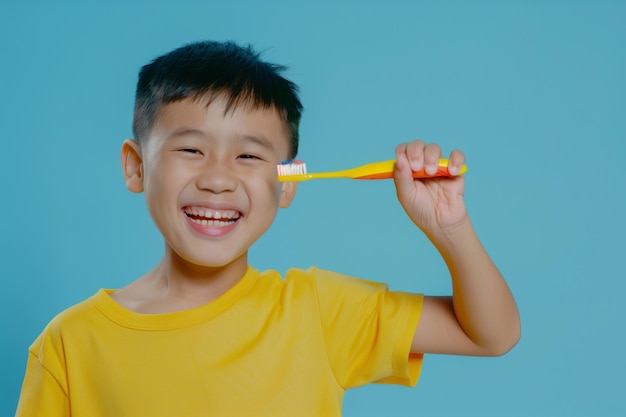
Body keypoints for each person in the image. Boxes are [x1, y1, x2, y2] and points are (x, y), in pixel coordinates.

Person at [15, 40, 520, 417]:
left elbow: (491, 336)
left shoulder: (320, 311)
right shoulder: (69, 343)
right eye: (191, 149)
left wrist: (450, 229)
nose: (217, 179)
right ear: (136, 166)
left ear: (288, 182)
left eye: (249, 155)